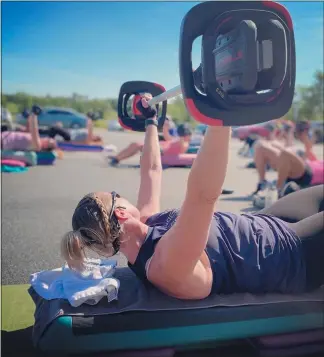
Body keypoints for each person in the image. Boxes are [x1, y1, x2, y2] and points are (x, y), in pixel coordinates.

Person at [61, 94, 323, 299]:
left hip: (269, 221)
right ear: (120, 212)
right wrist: (220, 112)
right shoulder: (166, 263)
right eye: (116, 195)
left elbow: (151, 171)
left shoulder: (145, 230)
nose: (123, 195)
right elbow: (203, 195)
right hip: (292, 253)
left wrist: (151, 122)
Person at [253, 119, 323, 196]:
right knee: (260, 146)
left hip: (308, 174)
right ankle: (262, 183)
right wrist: (307, 145)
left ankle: (278, 190)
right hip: (303, 165)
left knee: (285, 153)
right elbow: (312, 159)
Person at [109, 118, 192, 166]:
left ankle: (117, 159)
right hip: (159, 148)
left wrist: (182, 134)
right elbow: (167, 137)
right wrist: (165, 127)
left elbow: (182, 147)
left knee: (137, 145)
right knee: (135, 144)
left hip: (161, 151)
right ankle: (117, 157)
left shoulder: (185, 144)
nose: (185, 136)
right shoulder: (176, 139)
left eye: (186, 135)